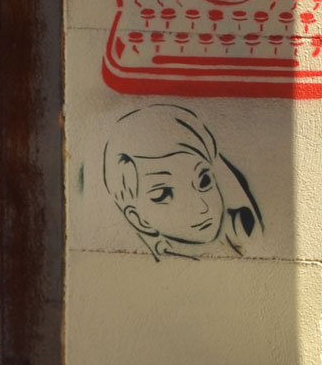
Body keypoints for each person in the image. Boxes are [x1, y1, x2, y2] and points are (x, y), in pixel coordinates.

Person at [103, 104, 263, 259]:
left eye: (204, 181)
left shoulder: (239, 233)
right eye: (163, 195)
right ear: (137, 219)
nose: (203, 208)